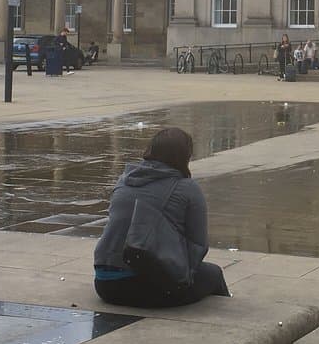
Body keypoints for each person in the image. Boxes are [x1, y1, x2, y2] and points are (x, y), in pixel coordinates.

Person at [93, 128, 230, 308]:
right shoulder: (187, 188)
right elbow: (198, 245)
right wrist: (180, 275)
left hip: (105, 285)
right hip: (151, 289)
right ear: (185, 156)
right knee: (213, 274)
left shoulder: (124, 179)